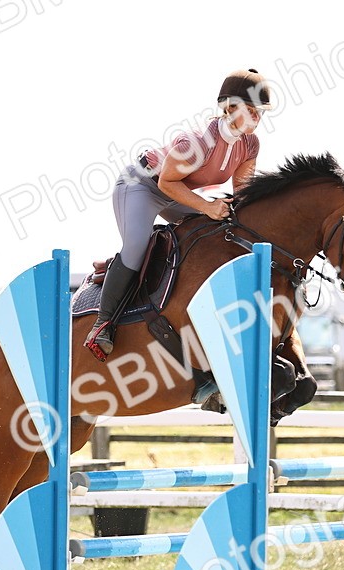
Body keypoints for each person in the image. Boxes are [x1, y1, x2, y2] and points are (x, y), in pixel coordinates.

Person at [84, 68, 272, 361]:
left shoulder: (250, 144)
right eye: (251, 110)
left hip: (177, 192)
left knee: (214, 231)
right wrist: (207, 206)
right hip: (142, 185)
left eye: (260, 112)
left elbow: (242, 192)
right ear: (230, 107)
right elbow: (165, 182)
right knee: (137, 245)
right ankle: (102, 325)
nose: (257, 117)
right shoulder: (198, 142)